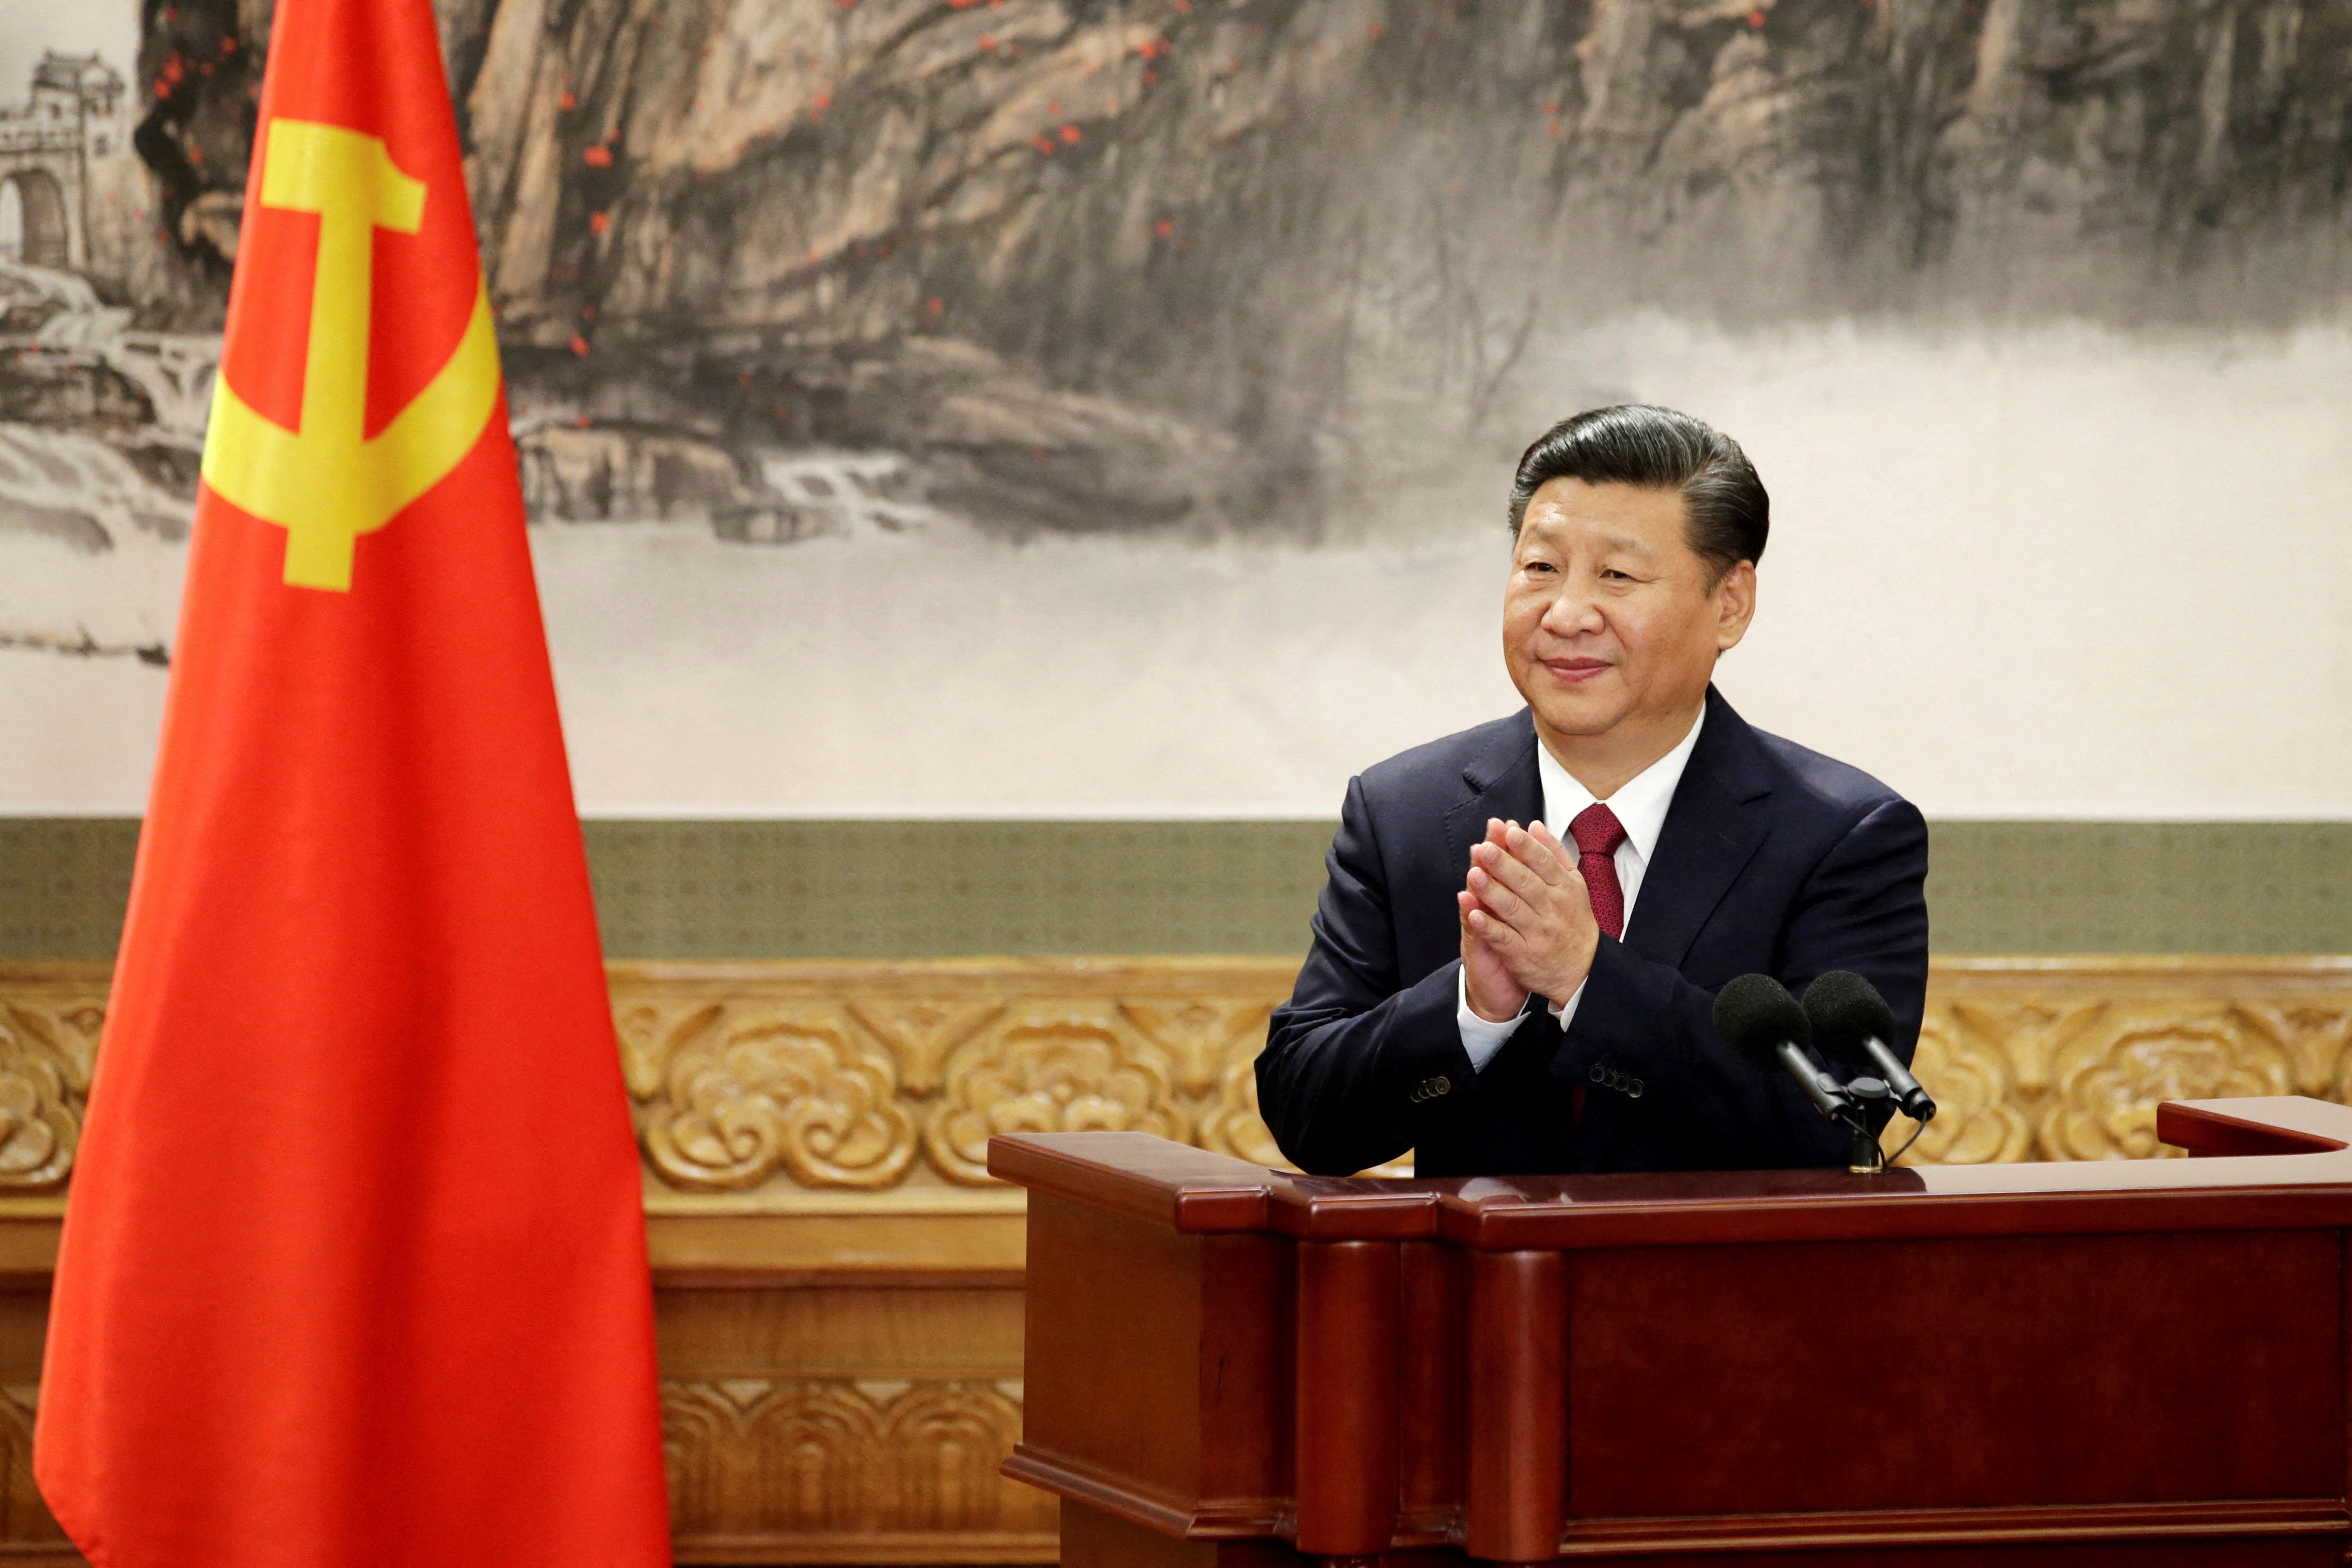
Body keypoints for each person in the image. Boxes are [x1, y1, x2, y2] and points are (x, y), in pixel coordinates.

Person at [1257, 405, 1928, 1177]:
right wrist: (1473, 1009)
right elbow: (1306, 1116)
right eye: (1540, 568)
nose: (1567, 614)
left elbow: (1835, 1126)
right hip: (1480, 1293)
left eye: (1617, 575)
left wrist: (1586, 976)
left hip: (1729, 1295)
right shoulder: (1404, 811)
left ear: (1731, 604)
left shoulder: (1840, 834)